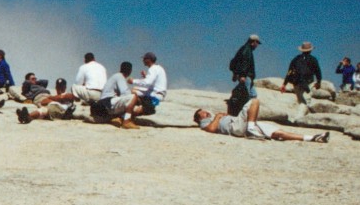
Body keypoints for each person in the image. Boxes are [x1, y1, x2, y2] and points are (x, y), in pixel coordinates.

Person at [194, 99, 329, 143]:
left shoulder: (212, 117)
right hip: (236, 127)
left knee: (278, 133)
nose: (206, 112)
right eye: (203, 113)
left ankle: (312, 138)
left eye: (205, 111)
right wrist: (218, 117)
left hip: (241, 124)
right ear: (200, 118)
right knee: (254, 101)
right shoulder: (205, 122)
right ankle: (252, 129)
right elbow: (211, 129)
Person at [119, 52, 167, 129]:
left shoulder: (153, 69)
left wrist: (133, 81)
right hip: (158, 93)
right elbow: (152, 83)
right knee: (134, 91)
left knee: (132, 92)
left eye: (144, 59)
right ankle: (129, 114)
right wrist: (145, 77)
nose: (143, 61)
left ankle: (125, 116)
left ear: (148, 59)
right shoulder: (159, 68)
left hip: (155, 95)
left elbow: (147, 83)